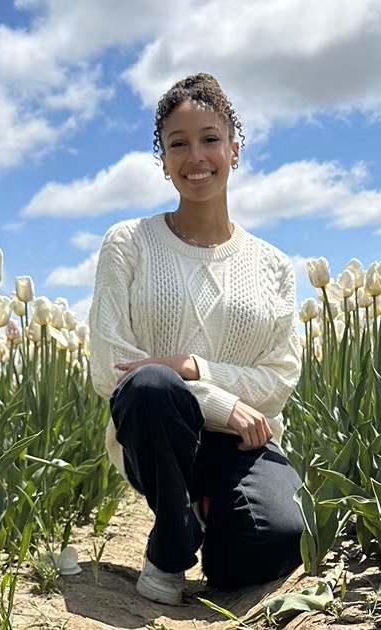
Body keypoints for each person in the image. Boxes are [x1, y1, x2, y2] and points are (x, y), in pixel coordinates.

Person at [87, 73, 304, 605]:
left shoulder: (273, 264)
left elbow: (279, 380)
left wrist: (195, 366)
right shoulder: (129, 244)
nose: (196, 156)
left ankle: (206, 516)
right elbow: (114, 368)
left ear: (235, 148)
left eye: (210, 138)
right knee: (154, 386)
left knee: (275, 540)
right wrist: (216, 400)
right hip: (159, 434)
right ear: (162, 159)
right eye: (177, 143)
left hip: (247, 444)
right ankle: (171, 542)